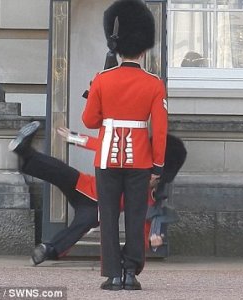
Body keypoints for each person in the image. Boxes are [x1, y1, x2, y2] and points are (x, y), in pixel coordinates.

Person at [8, 122, 185, 267]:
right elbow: (105, 146)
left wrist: (151, 240)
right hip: (85, 185)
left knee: (80, 225)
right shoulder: (134, 164)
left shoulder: (152, 198)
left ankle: (49, 250)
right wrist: (73, 137)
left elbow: (145, 225)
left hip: (98, 208)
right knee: (59, 170)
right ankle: (24, 151)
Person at [82, 0, 168, 290]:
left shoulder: (102, 80)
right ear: (144, 48)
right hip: (141, 160)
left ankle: (113, 274)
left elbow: (89, 121)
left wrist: (96, 94)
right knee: (134, 217)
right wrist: (158, 164)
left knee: (107, 217)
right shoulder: (154, 83)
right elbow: (161, 127)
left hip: (107, 158)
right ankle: (131, 272)